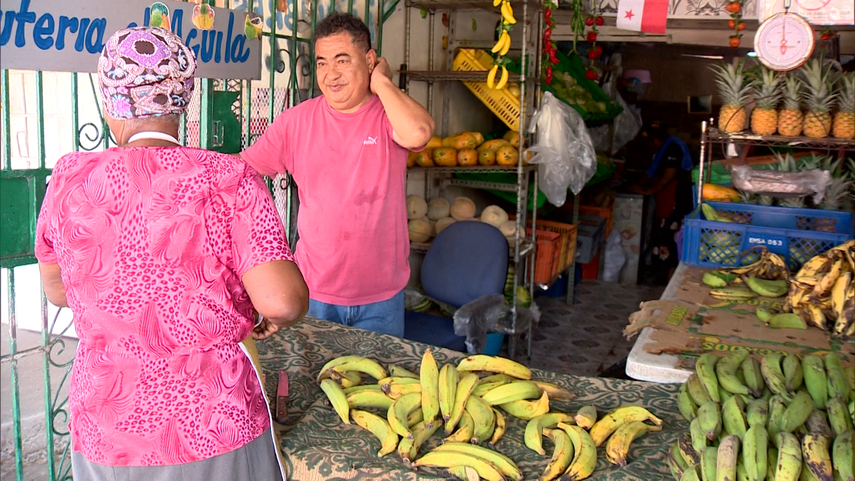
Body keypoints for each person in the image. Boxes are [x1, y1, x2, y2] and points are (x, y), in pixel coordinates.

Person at [35, 26, 308, 480]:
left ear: (110, 103)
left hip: (106, 428)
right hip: (214, 423)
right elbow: (282, 301)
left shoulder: (69, 178)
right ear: (183, 99)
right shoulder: (229, 178)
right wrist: (267, 314)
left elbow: (58, 291)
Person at [240, 12, 435, 337]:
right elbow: (240, 173)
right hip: (313, 292)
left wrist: (382, 83)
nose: (330, 74)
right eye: (322, 63)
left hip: (381, 298)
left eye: (342, 61)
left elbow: (418, 133)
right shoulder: (295, 123)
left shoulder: (388, 115)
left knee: (378, 373)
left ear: (369, 60)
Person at [626, 126, 694, 284]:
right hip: (666, 201)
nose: (651, 147)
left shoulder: (672, 148)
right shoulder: (664, 149)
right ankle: (661, 274)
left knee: (669, 237)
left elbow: (667, 177)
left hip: (675, 201)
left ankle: (666, 278)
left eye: (651, 143)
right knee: (662, 235)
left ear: (655, 140)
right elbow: (651, 172)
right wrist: (638, 186)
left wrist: (647, 191)